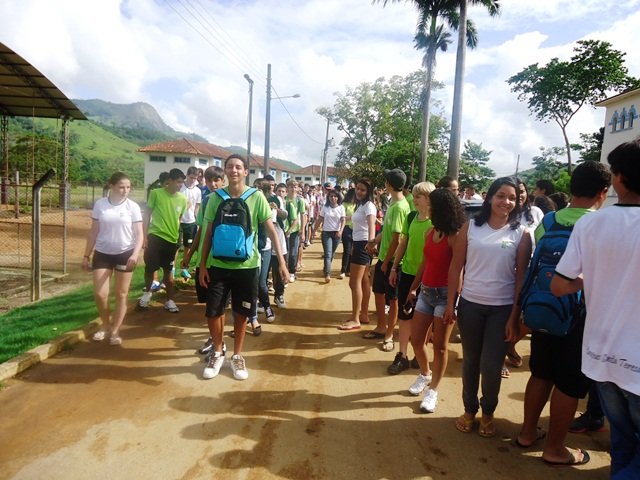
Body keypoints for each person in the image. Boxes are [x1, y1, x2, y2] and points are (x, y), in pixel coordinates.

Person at [551, 139, 640, 477]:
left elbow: (560, 285)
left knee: (622, 439)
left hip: (600, 355)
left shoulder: (590, 224)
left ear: (618, 179)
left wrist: (594, 279)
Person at [516, 161, 610, 467]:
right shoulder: (601, 224)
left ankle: (527, 433)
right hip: (580, 315)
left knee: (540, 372)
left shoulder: (550, 220)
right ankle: (555, 449)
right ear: (603, 192)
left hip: (542, 308)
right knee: (569, 383)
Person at [446, 176, 531, 438]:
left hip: (502, 309)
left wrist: (514, 316)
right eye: (501, 196)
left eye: (512, 198)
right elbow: (456, 267)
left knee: (492, 365)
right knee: (471, 361)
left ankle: (488, 412)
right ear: (491, 197)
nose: (506, 202)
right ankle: (469, 409)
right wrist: (450, 303)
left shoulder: (521, 233)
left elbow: (521, 279)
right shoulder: (471, 227)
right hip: (470, 305)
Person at [198, 154, 288, 381]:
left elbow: (271, 230)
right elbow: (208, 233)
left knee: (241, 312)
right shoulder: (215, 198)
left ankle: (237, 355)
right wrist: (202, 264)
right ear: (225, 171)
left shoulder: (256, 197)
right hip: (218, 264)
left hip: (247, 266)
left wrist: (282, 262)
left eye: (238, 167)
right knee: (213, 311)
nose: (234, 170)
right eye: (230, 167)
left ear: (246, 172)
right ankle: (218, 351)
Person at [406, 187, 466, 411]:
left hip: (444, 296)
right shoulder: (430, 232)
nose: (428, 208)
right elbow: (425, 263)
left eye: (432, 205)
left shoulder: (455, 237)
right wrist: (413, 288)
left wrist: (452, 303)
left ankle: (433, 390)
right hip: (426, 293)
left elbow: (458, 271)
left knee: (440, 346)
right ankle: (425, 373)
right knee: (416, 340)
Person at [83, 172, 143, 345]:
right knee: (100, 294)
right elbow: (94, 231)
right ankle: (105, 325)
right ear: (112, 186)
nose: (125, 190)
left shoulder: (132, 207)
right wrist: (86, 255)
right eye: (121, 187)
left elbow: (139, 234)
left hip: (125, 254)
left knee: (121, 294)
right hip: (102, 253)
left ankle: (115, 331)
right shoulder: (100, 204)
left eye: (128, 187)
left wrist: (135, 254)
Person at [387, 181, 435, 375]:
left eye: (418, 196)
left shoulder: (436, 222)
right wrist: (394, 267)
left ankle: (419, 353)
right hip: (407, 273)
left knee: (425, 317)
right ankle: (402, 355)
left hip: (428, 277)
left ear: (429, 199)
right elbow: (403, 243)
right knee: (405, 315)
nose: (414, 200)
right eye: (414, 196)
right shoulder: (411, 217)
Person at [363, 168, 410, 352]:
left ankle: (389, 334)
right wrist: (375, 240)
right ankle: (381, 327)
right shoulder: (393, 203)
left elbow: (397, 239)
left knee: (393, 298)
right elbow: (388, 231)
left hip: (393, 262)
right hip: (384, 258)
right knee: (379, 292)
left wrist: (386, 263)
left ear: (389, 185)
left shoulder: (400, 207)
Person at [139, 168, 187, 313]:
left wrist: (178, 238)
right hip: (155, 236)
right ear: (170, 181)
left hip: (171, 240)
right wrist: (144, 236)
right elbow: (147, 214)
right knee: (150, 268)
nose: (180, 185)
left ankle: (170, 300)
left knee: (168, 272)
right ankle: (147, 294)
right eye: (178, 182)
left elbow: (179, 219)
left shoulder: (183, 199)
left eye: (182, 182)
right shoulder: (156, 193)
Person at [337, 179, 376, 331]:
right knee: (364, 281)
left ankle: (355, 319)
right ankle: (363, 314)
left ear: (368, 192)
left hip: (363, 245)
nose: (359, 191)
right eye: (358, 188)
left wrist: (371, 243)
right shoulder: (361, 205)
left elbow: (371, 226)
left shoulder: (369, 206)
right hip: (359, 243)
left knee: (354, 283)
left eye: (363, 190)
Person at [313, 189, 345, 283]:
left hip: (336, 233)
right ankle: (327, 273)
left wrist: (340, 231)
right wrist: (314, 230)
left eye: (335, 196)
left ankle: (326, 268)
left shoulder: (341, 208)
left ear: (338, 198)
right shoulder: (325, 207)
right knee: (328, 253)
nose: (333, 198)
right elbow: (320, 219)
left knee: (332, 253)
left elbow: (343, 220)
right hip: (326, 233)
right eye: (331, 196)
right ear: (328, 197)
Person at [178, 166, 203, 279]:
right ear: (187, 175)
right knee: (176, 246)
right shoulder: (181, 187)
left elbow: (197, 207)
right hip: (178, 221)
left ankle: (184, 268)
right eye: (191, 177)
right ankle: (171, 269)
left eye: (195, 178)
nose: (193, 180)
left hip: (190, 222)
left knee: (188, 245)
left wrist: (197, 221)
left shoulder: (198, 191)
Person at [340, 187, 356, 279]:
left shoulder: (359, 204)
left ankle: (349, 270)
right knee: (347, 250)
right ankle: (343, 270)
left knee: (354, 251)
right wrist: (352, 217)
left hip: (356, 229)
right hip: (346, 228)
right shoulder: (344, 204)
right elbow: (342, 217)